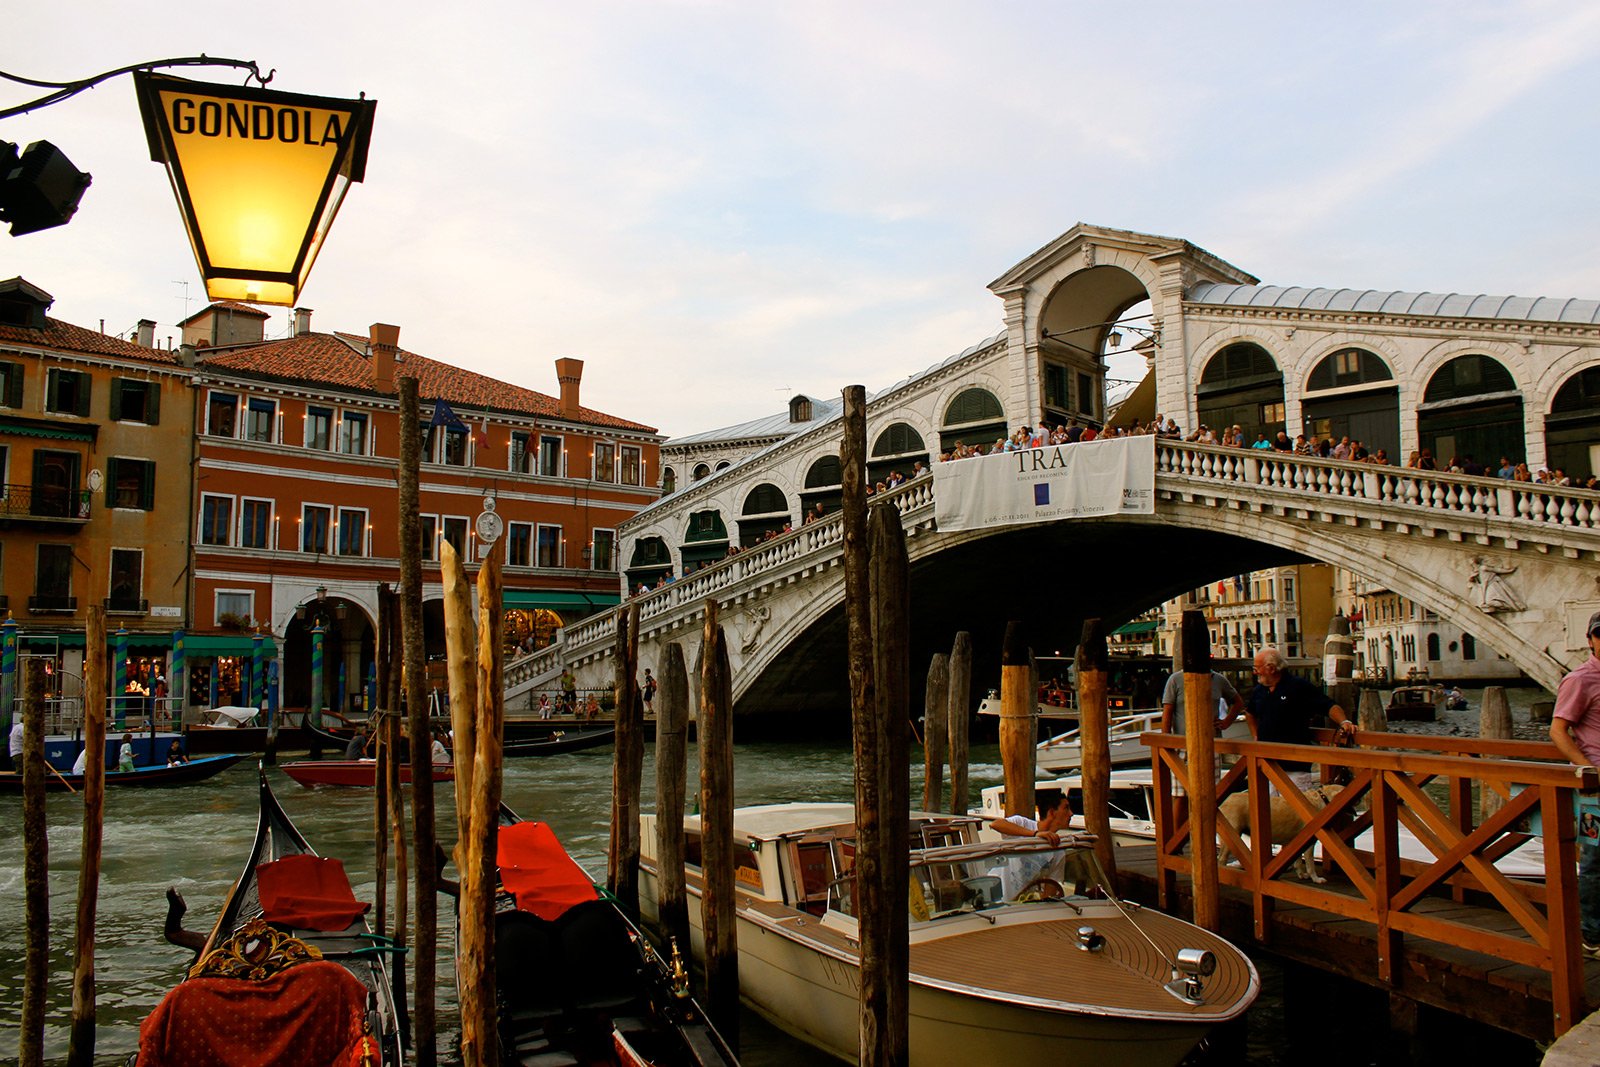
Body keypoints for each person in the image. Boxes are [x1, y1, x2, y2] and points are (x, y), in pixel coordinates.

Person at [1549, 611, 1600, 956]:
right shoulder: (1581, 679)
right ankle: (1592, 936)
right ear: (1591, 639)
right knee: (1596, 859)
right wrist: (1589, 771)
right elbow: (1557, 731)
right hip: (1597, 789)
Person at [1245, 646, 1356, 785]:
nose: (1255, 672)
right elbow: (1250, 713)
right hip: (1267, 763)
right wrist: (1255, 735)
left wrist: (1344, 721)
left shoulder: (1298, 686)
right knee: (1270, 806)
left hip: (1295, 765)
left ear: (1271, 669)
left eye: (1257, 668)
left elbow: (1328, 706)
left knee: (1296, 805)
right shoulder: (1259, 690)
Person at [1160, 669, 1245, 735]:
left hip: (1214, 744)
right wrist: (1167, 743)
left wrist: (1226, 722)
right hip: (1182, 745)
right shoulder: (1175, 679)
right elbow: (1167, 712)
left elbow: (1238, 702)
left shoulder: (1219, 679)